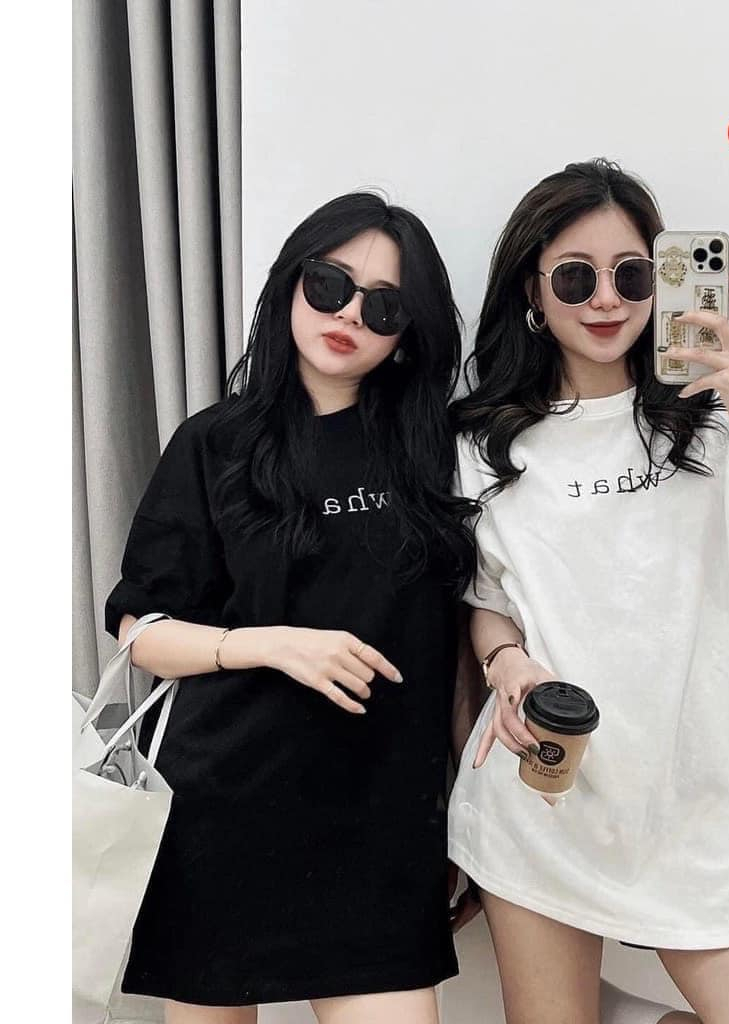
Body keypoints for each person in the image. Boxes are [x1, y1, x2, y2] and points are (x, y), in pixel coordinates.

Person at [447, 159, 729, 1024]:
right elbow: (489, 599)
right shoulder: (484, 444)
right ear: (533, 292)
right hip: (546, 792)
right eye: (574, 278)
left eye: (631, 275)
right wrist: (507, 662)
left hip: (708, 807)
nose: (605, 300)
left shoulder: (717, 422)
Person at [106, 192, 480, 1024]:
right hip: (222, 814)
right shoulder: (214, 443)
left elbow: (456, 643)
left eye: (383, 306)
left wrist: (468, 813)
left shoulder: (436, 453)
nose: (349, 315)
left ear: (405, 334)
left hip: (382, 827)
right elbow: (142, 635)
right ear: (290, 284)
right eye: (330, 284)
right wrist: (272, 644)